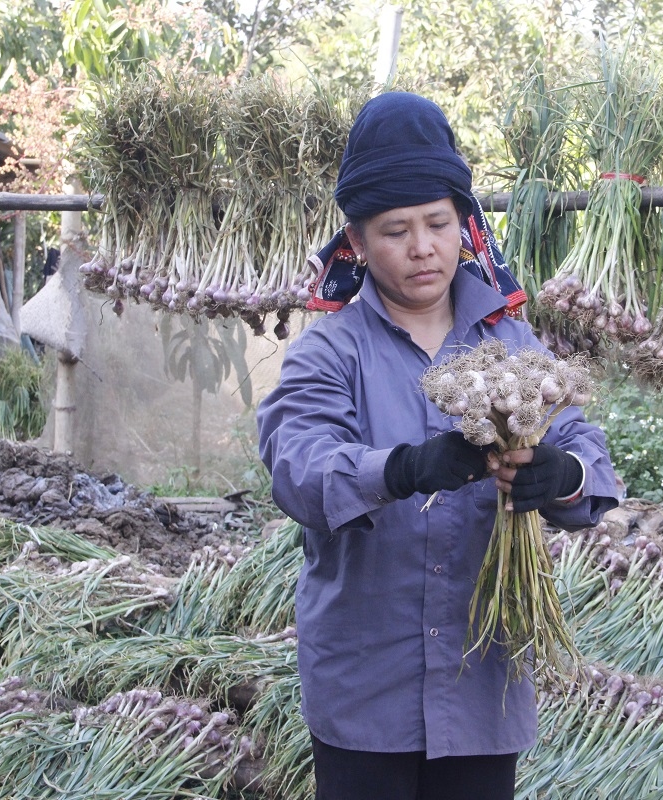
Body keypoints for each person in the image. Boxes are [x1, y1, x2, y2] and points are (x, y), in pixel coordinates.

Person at [257, 92, 619, 800]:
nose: (422, 248)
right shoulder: (329, 351)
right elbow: (295, 463)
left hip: (481, 680)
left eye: (438, 223)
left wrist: (563, 473)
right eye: (396, 230)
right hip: (366, 689)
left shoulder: (511, 341)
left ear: (465, 226)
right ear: (357, 243)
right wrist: (401, 468)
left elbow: (587, 455)